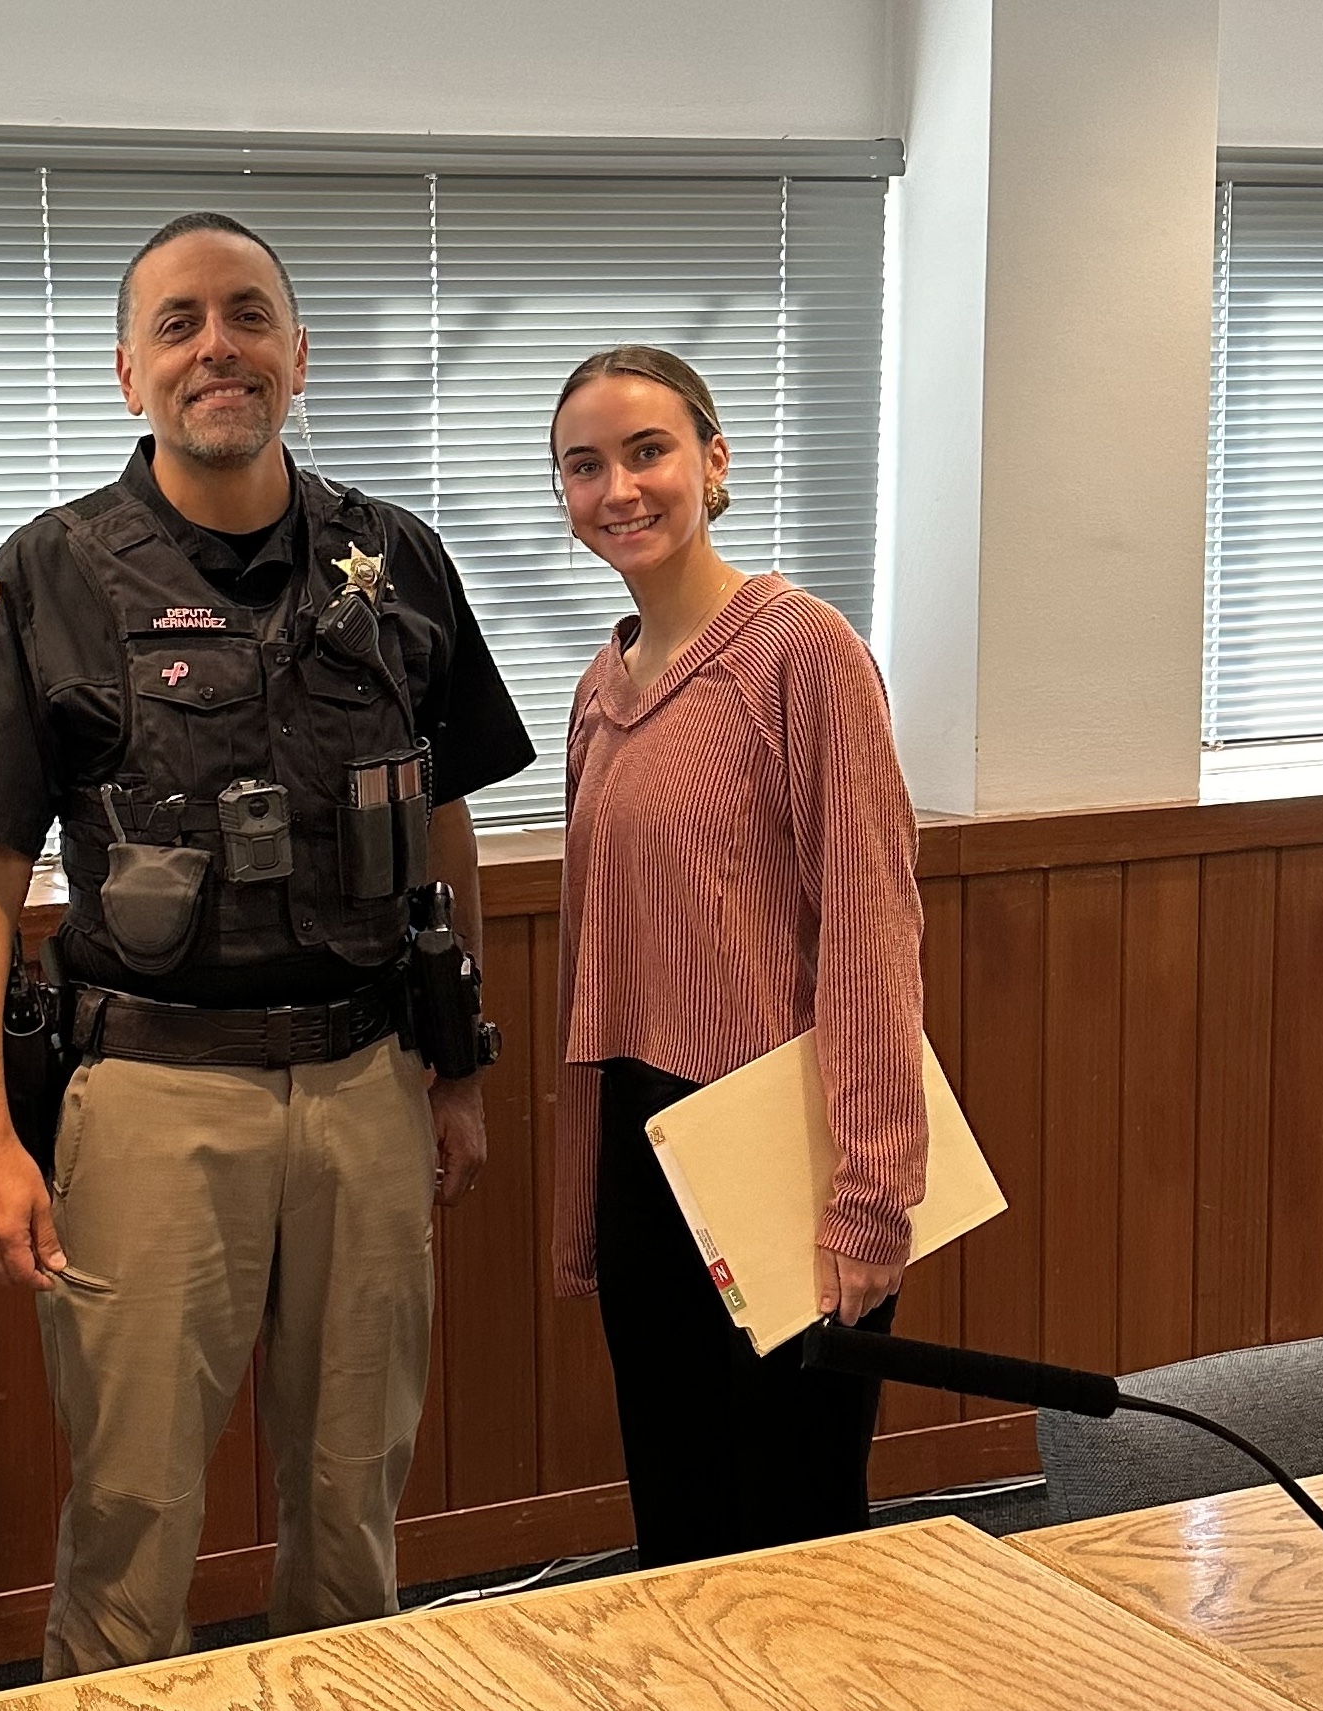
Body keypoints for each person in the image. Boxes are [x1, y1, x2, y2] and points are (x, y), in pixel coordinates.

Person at [0, 212, 534, 1677]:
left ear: (297, 353)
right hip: (151, 1095)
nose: (218, 347)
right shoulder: (49, 573)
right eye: (181, 322)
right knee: (134, 1503)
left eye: (248, 315)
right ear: (128, 367)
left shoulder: (400, 561)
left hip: (367, 1082)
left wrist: (459, 1067)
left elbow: (445, 835)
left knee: (353, 1493)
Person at [548, 345, 928, 1570]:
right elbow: (593, 965)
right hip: (645, 1145)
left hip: (783, 1142)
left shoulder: (800, 652)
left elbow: (873, 928)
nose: (620, 488)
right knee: (677, 1511)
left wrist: (872, 1190)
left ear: (713, 462)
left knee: (793, 1522)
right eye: (584, 464)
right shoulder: (599, 688)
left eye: (647, 450)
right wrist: (586, 1196)